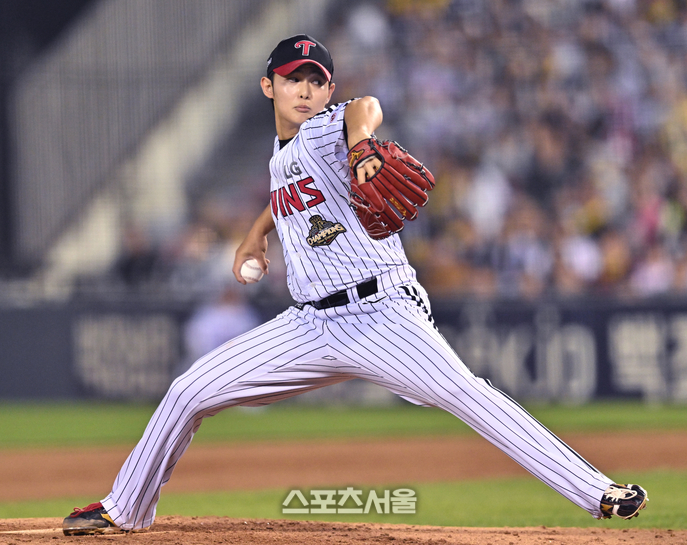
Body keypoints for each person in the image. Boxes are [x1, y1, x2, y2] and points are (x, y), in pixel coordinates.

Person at [63, 34, 648, 535]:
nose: (305, 90)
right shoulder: (282, 153)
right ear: (268, 86)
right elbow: (287, 191)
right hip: (309, 323)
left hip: (380, 313)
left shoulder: (325, 129)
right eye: (293, 79)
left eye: (316, 81)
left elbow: (364, 107)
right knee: (188, 391)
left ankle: (597, 491)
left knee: (464, 393)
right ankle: (125, 510)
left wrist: (363, 142)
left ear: (328, 91)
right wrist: (256, 233)